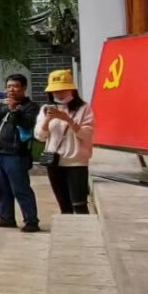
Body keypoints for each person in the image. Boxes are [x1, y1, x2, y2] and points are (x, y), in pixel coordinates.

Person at [0, 73, 42, 232]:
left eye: (15, 86)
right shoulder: (3, 106)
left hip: (16, 153)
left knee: (20, 188)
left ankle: (31, 220)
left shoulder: (31, 107)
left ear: (23, 88)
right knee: (2, 188)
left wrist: (15, 109)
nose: (11, 90)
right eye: (8, 87)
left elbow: (27, 123)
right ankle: (6, 217)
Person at [34, 69, 95, 215]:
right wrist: (48, 120)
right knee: (64, 206)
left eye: (62, 89)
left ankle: (84, 232)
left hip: (76, 163)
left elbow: (86, 135)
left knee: (79, 204)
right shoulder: (46, 109)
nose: (59, 93)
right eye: (55, 90)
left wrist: (67, 119)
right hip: (54, 162)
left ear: (71, 89)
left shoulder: (83, 109)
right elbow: (40, 136)